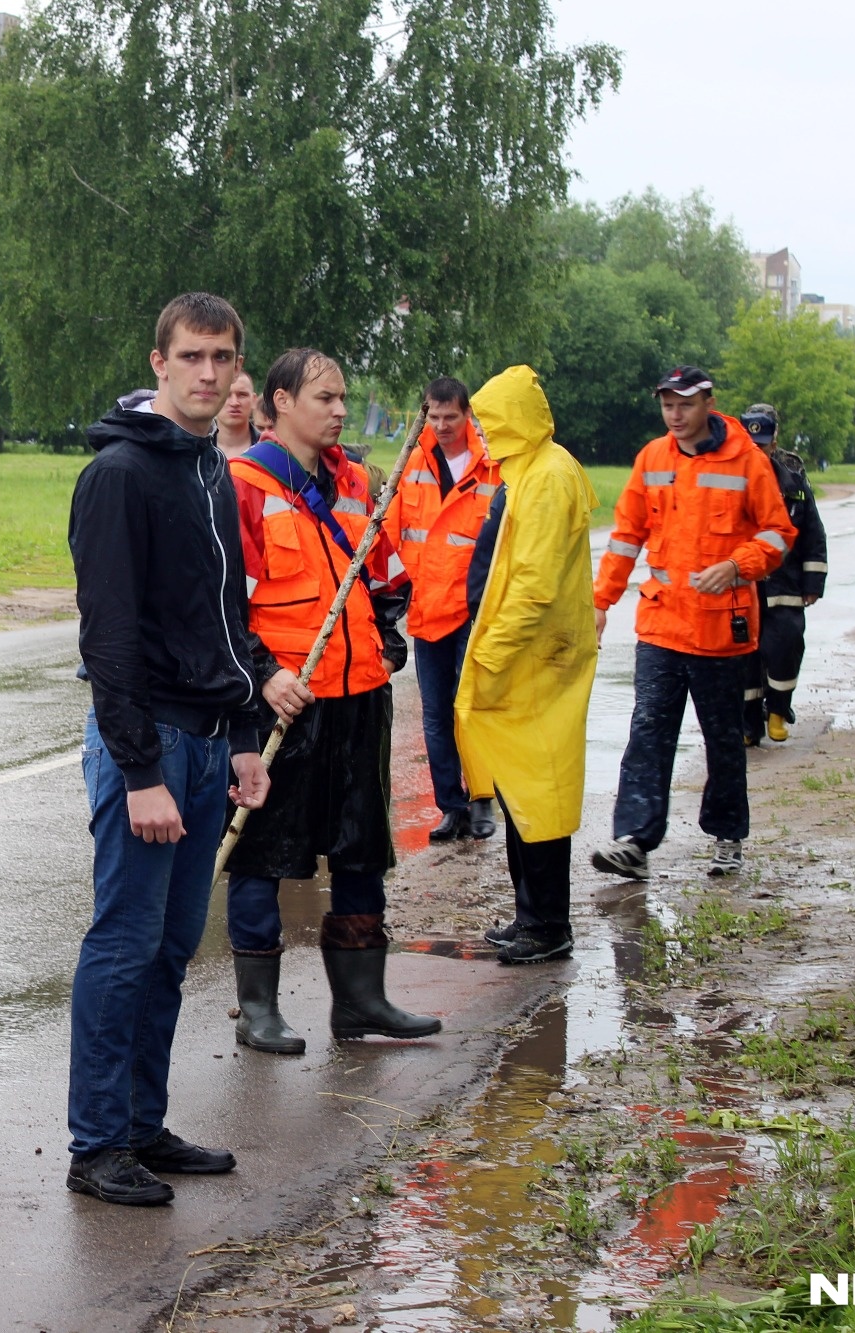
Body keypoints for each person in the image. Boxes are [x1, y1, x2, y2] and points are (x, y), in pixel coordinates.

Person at [65, 292, 270, 1207]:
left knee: (173, 944)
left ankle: (142, 1123)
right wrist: (141, 772)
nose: (207, 373)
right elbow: (107, 637)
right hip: (143, 747)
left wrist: (246, 737)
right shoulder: (120, 473)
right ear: (157, 362)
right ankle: (97, 1142)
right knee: (124, 940)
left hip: (207, 742)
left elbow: (225, 619)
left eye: (221, 358)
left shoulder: (208, 470)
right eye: (190, 356)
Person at [225, 346, 438, 1055]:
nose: (340, 410)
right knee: (262, 850)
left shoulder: (357, 483)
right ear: (280, 402)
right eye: (325, 398)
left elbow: (384, 576)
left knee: (360, 849)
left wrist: (387, 632)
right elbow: (224, 603)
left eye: (343, 397)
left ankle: (360, 1001)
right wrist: (262, 673)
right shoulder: (244, 485)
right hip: (287, 699)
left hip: (360, 696)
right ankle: (258, 1008)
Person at [591, 367, 796, 881]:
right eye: (667, 406)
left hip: (719, 632)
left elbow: (778, 534)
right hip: (660, 625)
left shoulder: (747, 461)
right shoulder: (652, 459)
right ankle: (635, 840)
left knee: (723, 739)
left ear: (708, 402)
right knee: (648, 732)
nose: (675, 416)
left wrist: (738, 565)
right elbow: (624, 537)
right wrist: (600, 602)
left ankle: (728, 837)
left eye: (684, 405)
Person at [454, 366, 598, 964]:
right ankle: (530, 916)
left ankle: (548, 924)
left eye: (488, 422)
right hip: (530, 660)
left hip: (537, 662)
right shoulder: (533, 470)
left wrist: (491, 652)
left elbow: (534, 586)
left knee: (540, 796)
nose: (481, 434)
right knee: (522, 792)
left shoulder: (546, 477)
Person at [383, 376, 502, 842]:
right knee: (436, 715)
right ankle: (451, 806)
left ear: (467, 414)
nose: (442, 425)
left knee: (472, 711)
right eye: (434, 417)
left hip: (476, 611)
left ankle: (482, 801)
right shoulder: (412, 464)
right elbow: (391, 533)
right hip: (429, 610)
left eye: (450, 417)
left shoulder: (491, 467)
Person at [737, 405, 827, 745]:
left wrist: (813, 582)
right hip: (744, 583)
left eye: (764, 442)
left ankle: (777, 711)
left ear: (774, 438)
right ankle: (748, 724)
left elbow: (812, 532)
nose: (758, 450)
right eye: (752, 443)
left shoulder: (792, 476)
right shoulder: (732, 474)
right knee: (745, 658)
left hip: (784, 583)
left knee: (785, 647)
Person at [216, 369, 257, 458]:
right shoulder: (194, 449)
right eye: (226, 395)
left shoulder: (270, 450)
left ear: (254, 400)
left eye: (242, 395)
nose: (234, 403)